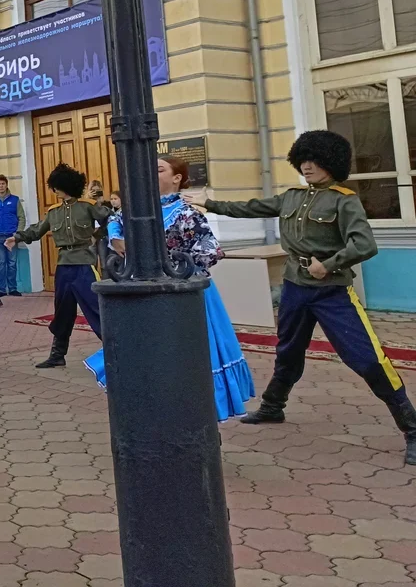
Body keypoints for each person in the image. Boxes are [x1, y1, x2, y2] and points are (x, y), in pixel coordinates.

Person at [188, 130, 416, 465]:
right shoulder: (292, 196)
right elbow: (252, 208)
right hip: (295, 286)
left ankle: (411, 427)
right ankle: (273, 406)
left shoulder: (344, 200)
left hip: (332, 292)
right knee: (289, 350)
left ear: (331, 163)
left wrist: (330, 264)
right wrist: (209, 203)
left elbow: (365, 244)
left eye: (314, 161)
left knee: (367, 358)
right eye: (303, 160)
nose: (306, 166)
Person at [90, 157, 255, 422]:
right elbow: (113, 220)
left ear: (177, 178)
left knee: (186, 351)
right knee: (151, 349)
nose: (152, 173)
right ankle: (157, 406)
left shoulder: (186, 213)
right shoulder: (138, 209)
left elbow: (211, 250)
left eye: (159, 169)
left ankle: (197, 414)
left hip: (183, 295)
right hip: (146, 290)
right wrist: (117, 239)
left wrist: (173, 263)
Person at [6, 163, 109, 369]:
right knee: (62, 311)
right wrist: (17, 237)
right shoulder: (54, 212)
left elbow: (109, 219)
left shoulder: (87, 206)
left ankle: (117, 349)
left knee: (96, 309)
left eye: (56, 186)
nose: (54, 191)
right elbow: (37, 230)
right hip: (63, 266)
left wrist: (98, 236)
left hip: (84, 264)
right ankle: (57, 355)